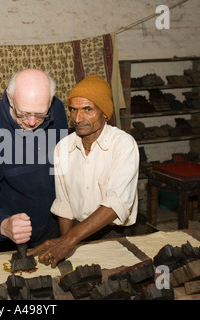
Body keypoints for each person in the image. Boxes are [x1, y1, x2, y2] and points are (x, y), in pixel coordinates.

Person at [28, 75, 139, 267]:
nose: (78, 118)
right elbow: (64, 204)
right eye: (73, 110)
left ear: (104, 113)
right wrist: (65, 243)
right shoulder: (63, 148)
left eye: (87, 109)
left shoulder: (123, 144)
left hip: (112, 234)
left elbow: (116, 202)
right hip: (75, 233)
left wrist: (69, 240)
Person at [0, 69, 68, 252]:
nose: (32, 122)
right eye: (23, 114)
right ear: (10, 99)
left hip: (52, 227)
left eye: (41, 115)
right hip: (9, 237)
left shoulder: (56, 110)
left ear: (50, 102)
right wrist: (2, 224)